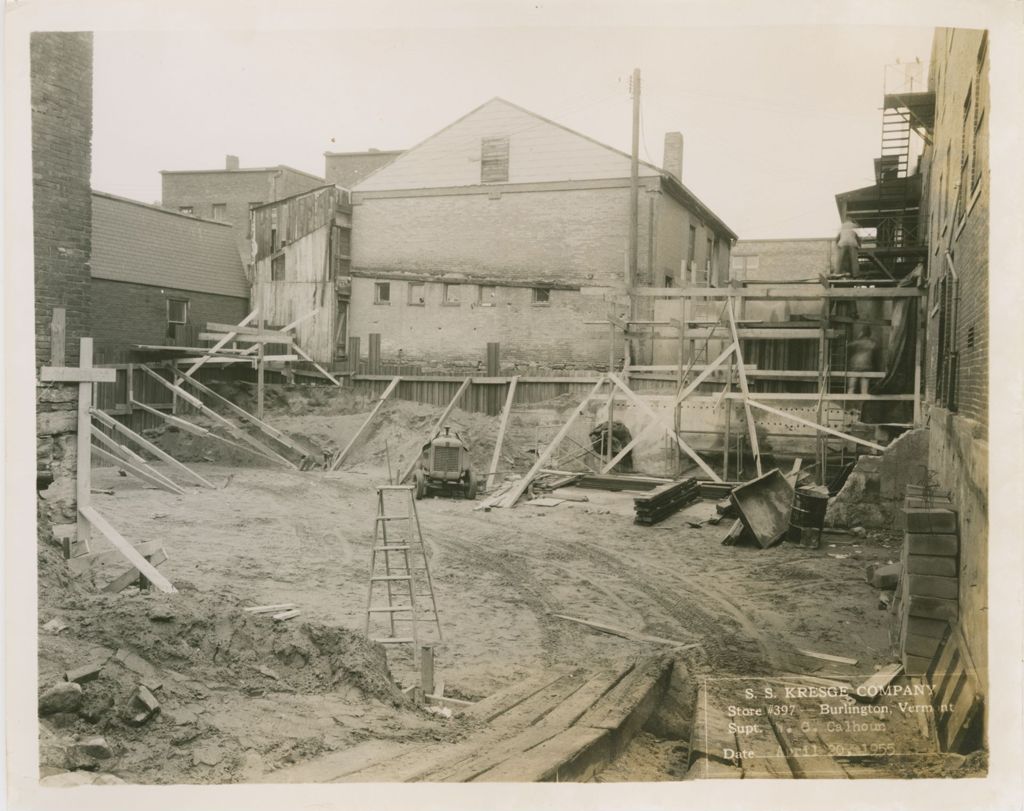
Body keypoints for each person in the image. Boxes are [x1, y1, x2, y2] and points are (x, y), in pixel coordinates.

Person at [847, 325, 879, 395]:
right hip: (866, 366)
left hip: (855, 366)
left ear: (862, 333)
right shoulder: (871, 343)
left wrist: (859, 337)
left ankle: (848, 403)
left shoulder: (857, 342)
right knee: (864, 391)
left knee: (851, 388)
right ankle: (863, 404)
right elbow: (875, 346)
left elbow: (848, 345)